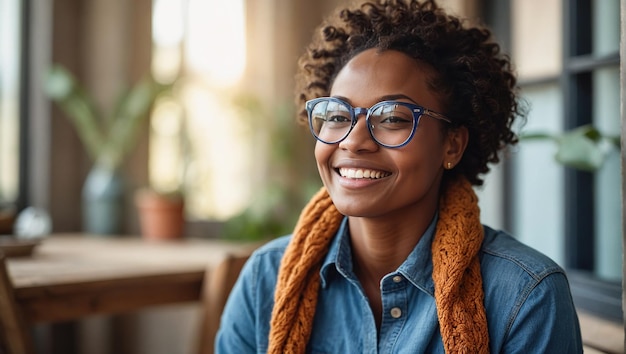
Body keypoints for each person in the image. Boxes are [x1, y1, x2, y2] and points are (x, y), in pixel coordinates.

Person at [216, 0, 583, 352]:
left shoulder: (525, 296)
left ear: (452, 145)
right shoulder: (266, 280)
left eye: (391, 117)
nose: (354, 141)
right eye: (337, 115)